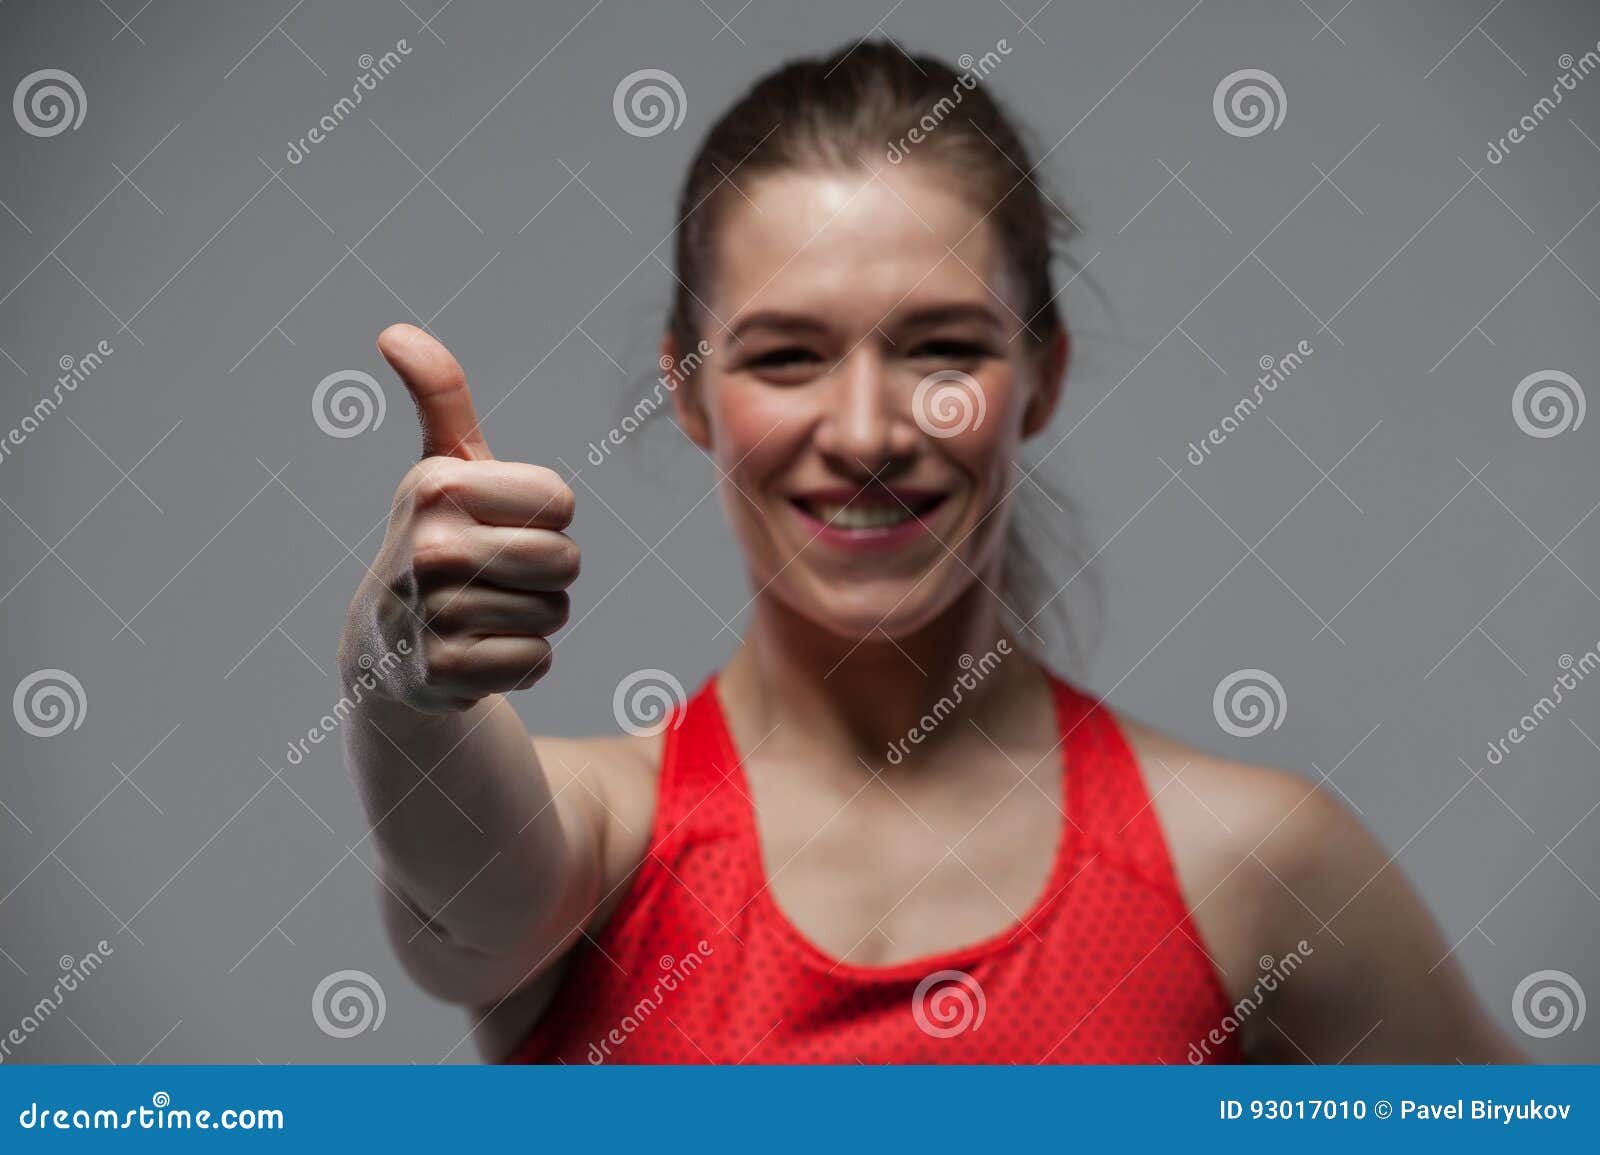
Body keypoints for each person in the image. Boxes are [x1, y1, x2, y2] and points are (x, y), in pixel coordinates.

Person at [337, 41, 1520, 1063]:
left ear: (1041, 376)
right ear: (688, 394)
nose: (864, 434)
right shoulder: (599, 844)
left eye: (942, 348)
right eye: (786, 356)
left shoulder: (1253, 865)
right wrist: (398, 678)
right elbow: (463, 903)